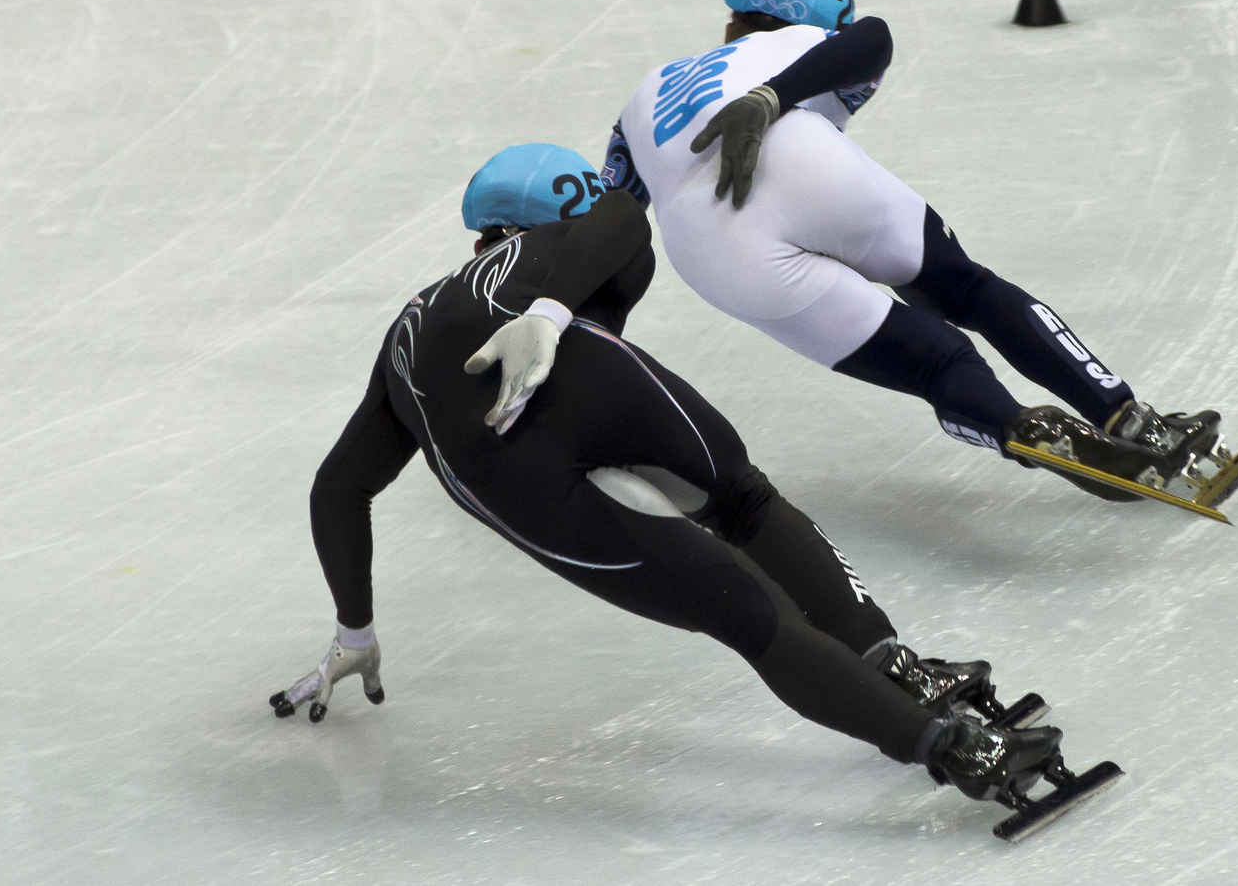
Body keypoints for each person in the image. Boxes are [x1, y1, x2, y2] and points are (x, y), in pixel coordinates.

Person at [267, 142, 1069, 811]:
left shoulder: (410, 328)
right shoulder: (553, 246)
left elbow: (338, 489)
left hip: (502, 465)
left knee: (748, 620)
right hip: (595, 383)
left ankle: (948, 746)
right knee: (747, 503)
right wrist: (552, 316)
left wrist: (356, 631)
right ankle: (897, 669)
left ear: (484, 235)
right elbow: (620, 216)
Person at [600, 0, 1221, 501]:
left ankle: (1025, 428)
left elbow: (610, 229)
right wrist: (769, 98)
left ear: (733, 19)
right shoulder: (803, 41)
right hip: (807, 168)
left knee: (936, 364)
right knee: (967, 289)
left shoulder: (644, 93)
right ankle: (1130, 419)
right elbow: (873, 39)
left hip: (711, 251)